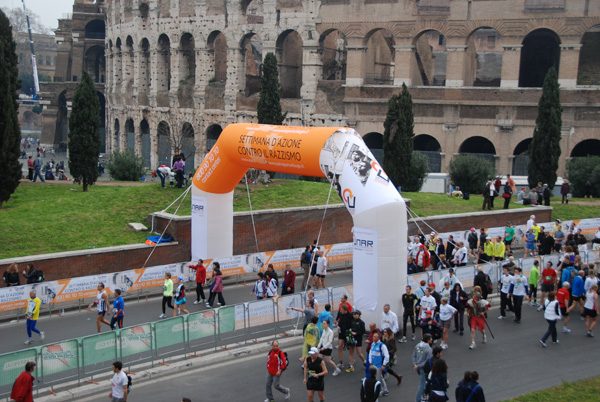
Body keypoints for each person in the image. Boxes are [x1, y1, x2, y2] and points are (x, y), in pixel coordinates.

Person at [412, 333, 433, 402]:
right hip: (423, 368)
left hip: (417, 367)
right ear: (428, 340)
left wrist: (415, 364)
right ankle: (418, 399)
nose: (432, 339)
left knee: (424, 382)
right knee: (422, 384)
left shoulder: (417, 346)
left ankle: (423, 396)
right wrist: (419, 366)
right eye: (431, 338)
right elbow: (428, 361)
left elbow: (413, 356)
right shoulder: (429, 349)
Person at [368, 332, 390, 396]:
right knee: (380, 378)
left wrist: (384, 365)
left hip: (378, 366)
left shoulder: (382, 346)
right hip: (373, 365)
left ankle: (375, 393)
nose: (373, 337)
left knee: (376, 380)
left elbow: (387, 356)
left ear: (378, 338)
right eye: (373, 336)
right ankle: (385, 390)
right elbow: (370, 353)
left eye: (374, 336)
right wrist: (370, 362)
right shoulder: (372, 344)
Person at [335, 303, 352, 370]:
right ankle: (340, 362)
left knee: (349, 348)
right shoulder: (340, 314)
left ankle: (351, 359)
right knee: (340, 346)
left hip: (347, 333)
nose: (340, 310)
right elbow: (340, 322)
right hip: (341, 333)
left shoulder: (350, 315)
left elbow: (352, 324)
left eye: (341, 309)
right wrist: (338, 326)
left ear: (345, 310)